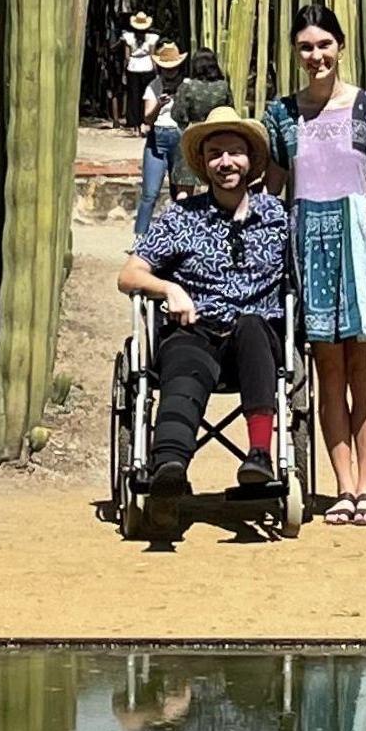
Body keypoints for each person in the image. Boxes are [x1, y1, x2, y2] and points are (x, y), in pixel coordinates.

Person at [264, 4, 366, 527]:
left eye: (324, 44)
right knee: (328, 369)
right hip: (307, 242)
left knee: (364, 368)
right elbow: (276, 186)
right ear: (296, 53)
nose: (316, 55)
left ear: (340, 46)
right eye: (305, 47)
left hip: (360, 242)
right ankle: (342, 488)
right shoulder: (281, 114)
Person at [119, 109, 289, 499]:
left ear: (251, 161)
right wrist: (168, 290)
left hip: (256, 339)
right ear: (204, 164)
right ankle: (170, 467)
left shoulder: (278, 217)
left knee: (251, 326)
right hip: (196, 328)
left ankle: (260, 455)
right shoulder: (181, 217)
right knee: (183, 357)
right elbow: (128, 275)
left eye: (234, 152)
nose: (225, 162)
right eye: (215, 153)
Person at [136, 42, 231, 241]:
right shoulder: (222, 87)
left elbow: (179, 115)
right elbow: (230, 109)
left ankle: (181, 234)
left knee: (182, 191)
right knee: (153, 193)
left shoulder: (188, 87)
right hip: (190, 138)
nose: (170, 71)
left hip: (186, 137)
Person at [120, 10, 162, 127]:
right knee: (147, 94)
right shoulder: (151, 37)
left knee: (134, 96)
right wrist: (156, 70)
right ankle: (146, 119)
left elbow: (127, 56)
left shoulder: (128, 37)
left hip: (133, 67)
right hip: (147, 66)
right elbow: (153, 55)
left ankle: (134, 122)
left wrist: (124, 71)